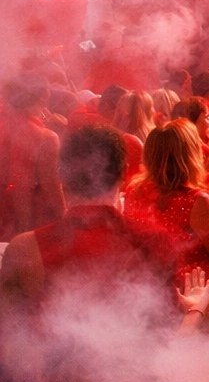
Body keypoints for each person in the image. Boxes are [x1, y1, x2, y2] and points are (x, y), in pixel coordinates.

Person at [1, 125, 173, 300]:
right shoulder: (153, 240)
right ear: (123, 175)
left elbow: (7, 323)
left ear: (62, 176)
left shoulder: (23, 249)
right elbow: (168, 320)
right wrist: (196, 308)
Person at [122, 120, 209, 279]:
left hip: (148, 286)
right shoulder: (196, 201)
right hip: (194, 291)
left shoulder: (134, 191)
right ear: (192, 155)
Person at [0, 82, 64, 241]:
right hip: (33, 230)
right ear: (44, 96)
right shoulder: (46, 138)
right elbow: (52, 192)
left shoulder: (3, 129)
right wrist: (66, 221)